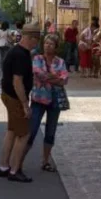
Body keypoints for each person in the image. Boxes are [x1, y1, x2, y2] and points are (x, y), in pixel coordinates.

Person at [0, 23, 40, 183]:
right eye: (36, 40)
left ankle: (4, 167)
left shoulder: (16, 51)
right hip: (15, 98)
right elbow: (17, 81)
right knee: (23, 134)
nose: (37, 43)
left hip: (8, 95)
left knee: (12, 131)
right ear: (30, 38)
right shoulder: (21, 55)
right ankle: (14, 170)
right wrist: (25, 104)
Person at [26, 35, 68, 173]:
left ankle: (45, 161)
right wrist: (55, 77)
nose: (47, 46)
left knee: (51, 131)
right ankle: (18, 161)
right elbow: (39, 74)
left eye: (51, 44)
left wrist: (49, 78)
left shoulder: (60, 61)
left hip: (54, 100)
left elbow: (64, 80)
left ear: (56, 47)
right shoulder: (37, 59)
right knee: (31, 130)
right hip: (39, 98)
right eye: (46, 43)